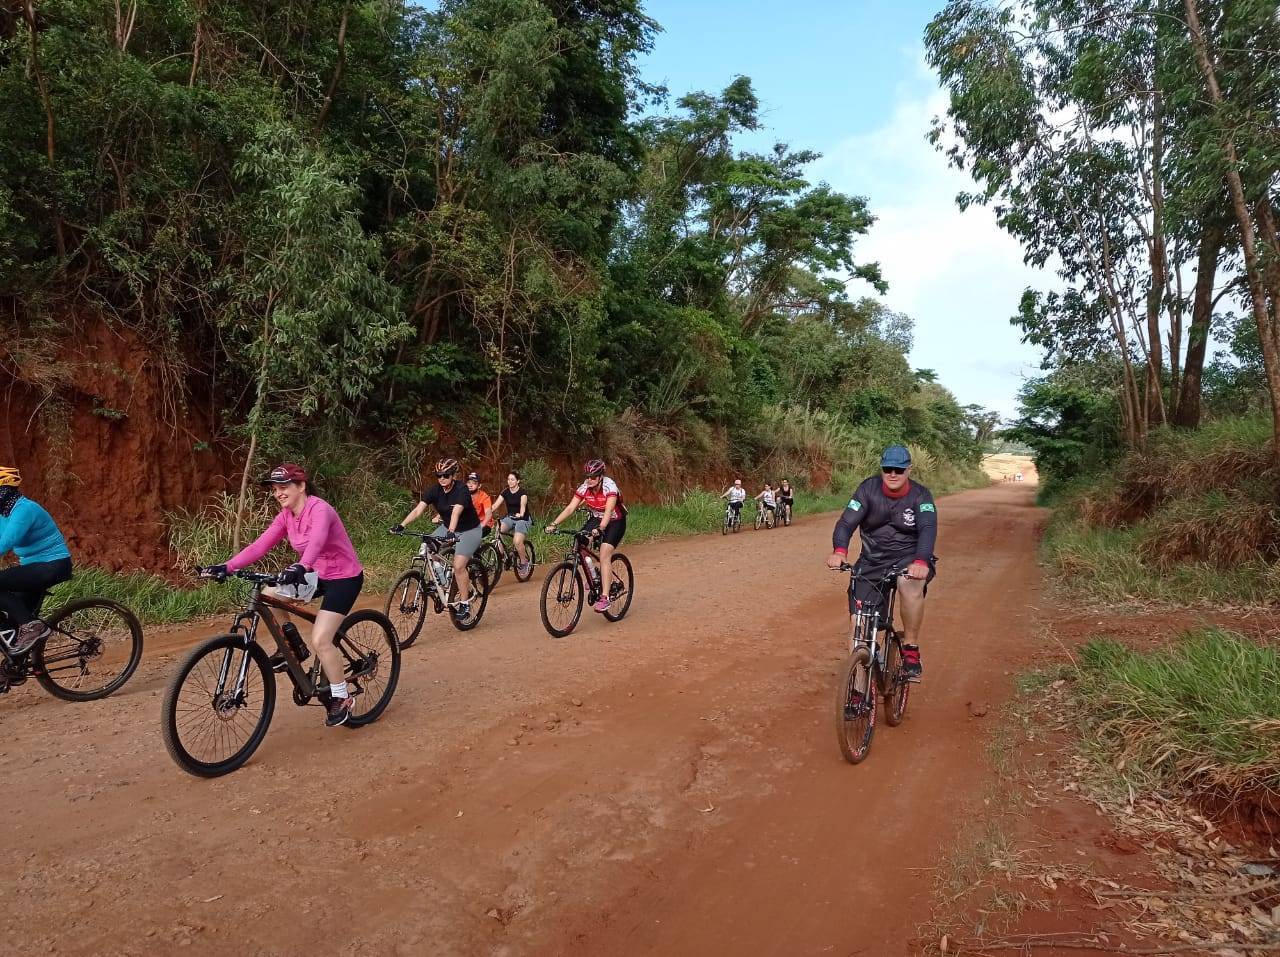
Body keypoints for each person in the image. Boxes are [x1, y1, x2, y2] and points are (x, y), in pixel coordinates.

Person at [205, 463, 365, 727]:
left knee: (323, 639)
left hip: (343, 578)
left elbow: (316, 541)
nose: (278, 493)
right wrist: (227, 566)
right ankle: (293, 646)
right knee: (270, 593)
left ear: (301, 486)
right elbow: (260, 545)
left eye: (283, 487)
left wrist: (301, 565)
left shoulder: (320, 509)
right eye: (275, 489)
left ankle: (341, 697)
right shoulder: (286, 516)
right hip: (315, 575)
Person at [825, 444, 937, 680]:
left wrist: (921, 561)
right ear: (882, 469)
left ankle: (910, 648)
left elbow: (928, 528)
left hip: (909, 558)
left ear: (909, 470)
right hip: (872, 559)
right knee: (859, 624)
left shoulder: (921, 495)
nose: (893, 474)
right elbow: (846, 523)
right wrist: (840, 551)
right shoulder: (868, 489)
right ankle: (857, 690)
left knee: (910, 584)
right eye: (888, 469)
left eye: (898, 469)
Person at [392, 458, 482, 622]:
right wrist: (402, 525)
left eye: (446, 475)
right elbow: (418, 509)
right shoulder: (435, 490)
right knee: (427, 547)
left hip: (469, 530)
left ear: (453, 475)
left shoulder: (462, 490)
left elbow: (456, 513)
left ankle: (464, 603)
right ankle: (441, 580)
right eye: (438, 475)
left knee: (459, 566)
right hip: (448, 528)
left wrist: (451, 532)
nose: (442, 478)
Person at [0, 467, 73, 654]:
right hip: (32, 567)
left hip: (52, 565)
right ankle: (11, 671)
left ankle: (32, 626)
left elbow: (7, 541)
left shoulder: (24, 509)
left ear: (4, 490)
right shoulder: (4, 514)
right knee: (12, 621)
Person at [546, 458, 627, 613]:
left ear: (601, 476)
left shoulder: (609, 486)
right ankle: (593, 574)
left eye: (593, 477)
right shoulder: (585, 487)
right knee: (579, 540)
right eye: (587, 476)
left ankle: (605, 597)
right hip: (596, 518)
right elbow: (570, 508)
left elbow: (609, 511)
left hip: (615, 521)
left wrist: (601, 528)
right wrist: (554, 524)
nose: (589, 480)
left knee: (604, 554)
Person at [492, 470, 533, 577]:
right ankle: (502, 554)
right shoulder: (505, 492)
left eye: (512, 479)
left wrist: (521, 514)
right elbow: (495, 505)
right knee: (499, 529)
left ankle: (524, 562)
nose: (510, 481)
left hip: (522, 519)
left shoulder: (522, 493)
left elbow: (523, 506)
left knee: (517, 541)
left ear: (518, 481)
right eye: (509, 479)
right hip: (510, 518)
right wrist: (486, 513)